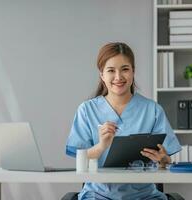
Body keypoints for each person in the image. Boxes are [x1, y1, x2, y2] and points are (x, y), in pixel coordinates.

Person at [66, 42, 181, 200]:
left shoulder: (153, 110)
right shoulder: (86, 110)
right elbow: (80, 158)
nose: (118, 77)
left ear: (133, 72)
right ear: (102, 75)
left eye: (125, 69)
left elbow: (166, 161)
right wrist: (101, 146)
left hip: (144, 195)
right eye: (111, 70)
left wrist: (163, 160)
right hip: (98, 195)